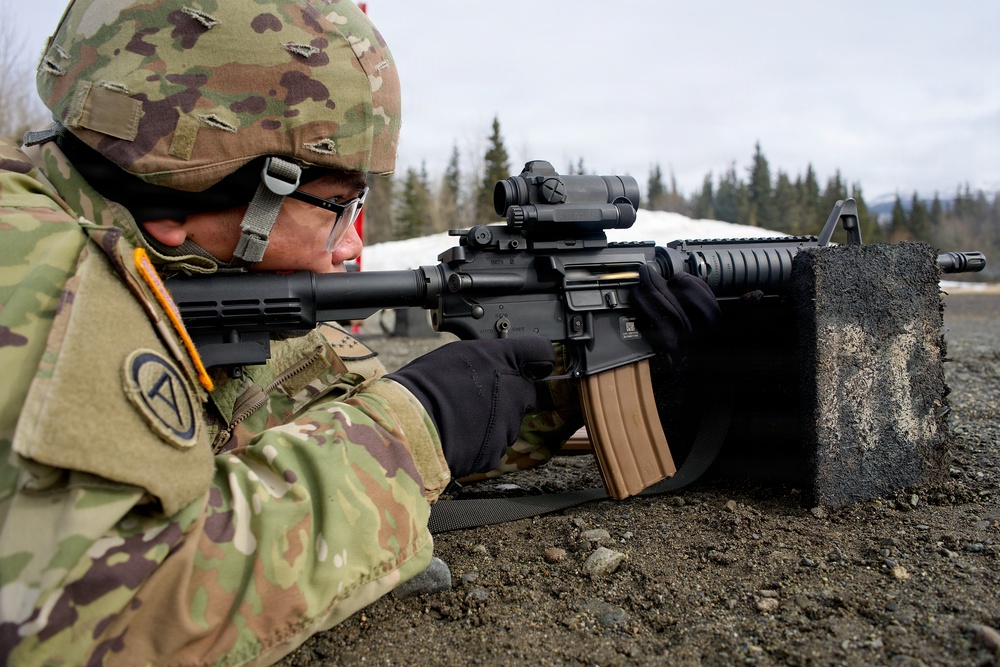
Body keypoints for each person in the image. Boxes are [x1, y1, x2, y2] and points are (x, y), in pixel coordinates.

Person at [0, 0, 719, 664]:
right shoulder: (34, 266)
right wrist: (415, 424)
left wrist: (597, 368)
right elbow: (88, 616)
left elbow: (353, 413)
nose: (348, 246)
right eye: (336, 205)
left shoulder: (177, 266)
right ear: (187, 191)